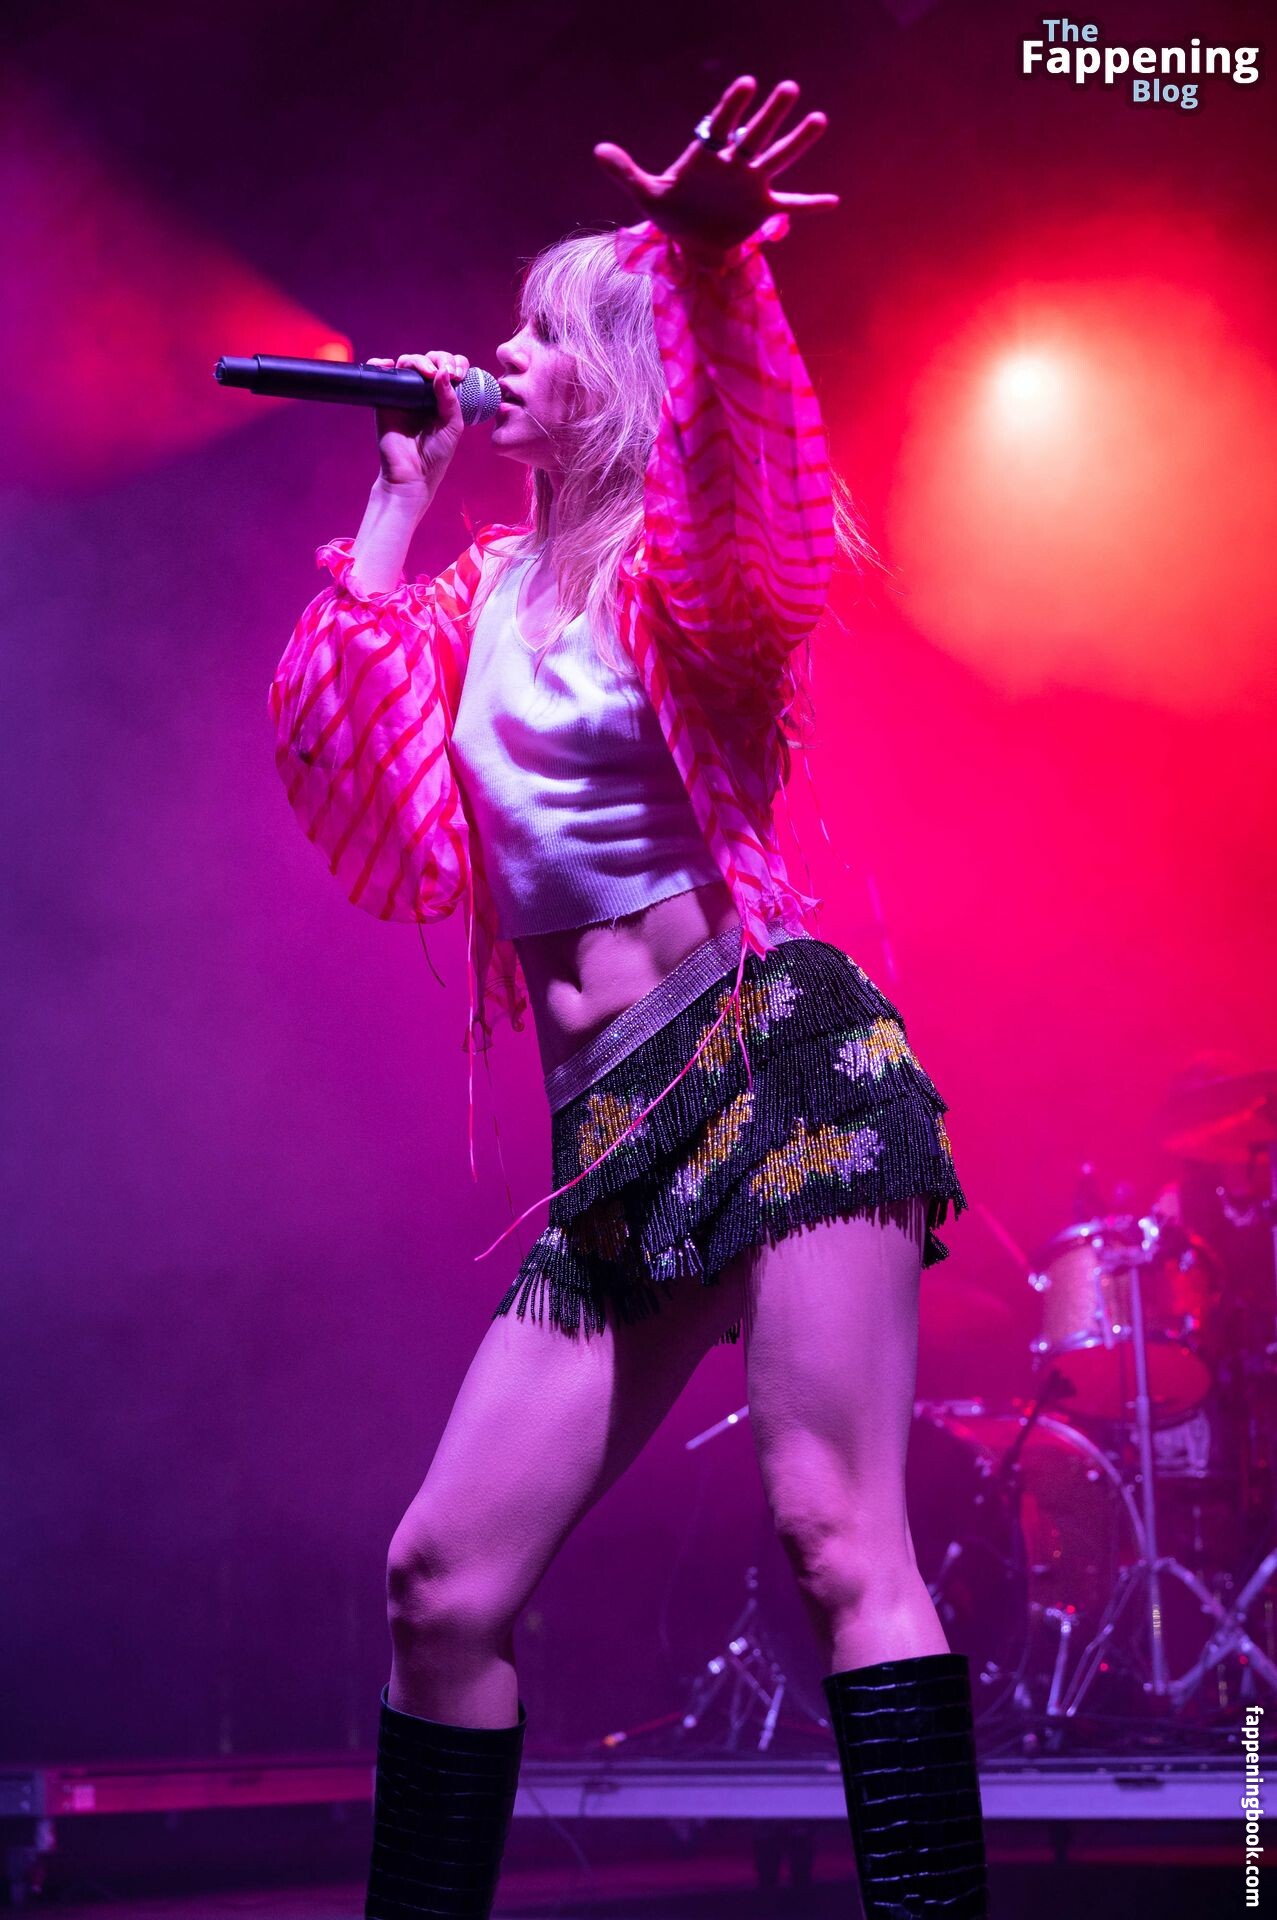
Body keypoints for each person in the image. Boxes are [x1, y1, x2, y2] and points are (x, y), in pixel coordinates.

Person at [269, 74, 986, 1920]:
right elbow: (363, 809)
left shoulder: (683, 579)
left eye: (538, 334)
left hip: (774, 1065)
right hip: (612, 1146)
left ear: (612, 377)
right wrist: (395, 502)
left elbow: (761, 507)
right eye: (502, 330)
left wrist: (715, 270)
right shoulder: (477, 594)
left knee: (834, 1537)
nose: (497, 354)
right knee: (440, 1586)